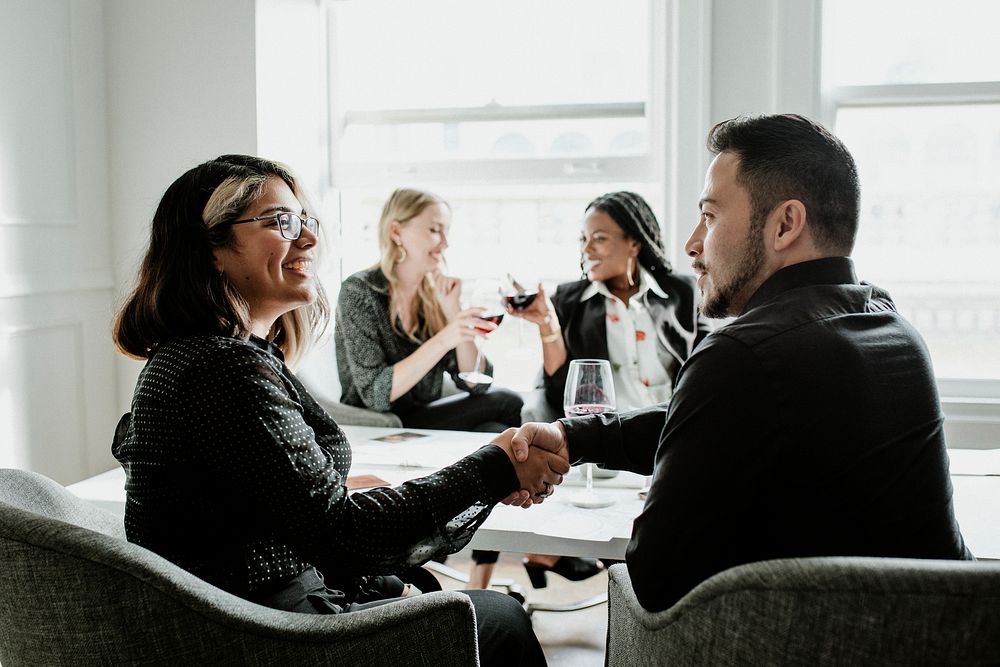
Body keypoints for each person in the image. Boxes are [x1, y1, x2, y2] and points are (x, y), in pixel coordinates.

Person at [110, 155, 565, 666]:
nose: (307, 238)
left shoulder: (214, 355)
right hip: (254, 634)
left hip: (249, 609)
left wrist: (337, 487)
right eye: (282, 221)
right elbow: (346, 538)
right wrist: (496, 465)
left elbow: (239, 497)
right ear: (210, 248)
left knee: (428, 587)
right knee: (499, 619)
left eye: (306, 221)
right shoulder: (222, 369)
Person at [510, 114, 973, 613]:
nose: (691, 244)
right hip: (933, 631)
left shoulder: (742, 355)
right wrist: (577, 437)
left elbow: (655, 576)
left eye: (709, 216)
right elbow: (717, 421)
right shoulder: (894, 329)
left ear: (784, 225)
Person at [506, 190, 710, 585]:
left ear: (634, 242)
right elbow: (558, 390)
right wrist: (548, 325)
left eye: (599, 237)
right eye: (583, 239)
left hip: (671, 436)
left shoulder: (684, 293)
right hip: (608, 442)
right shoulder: (569, 299)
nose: (587, 248)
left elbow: (704, 368)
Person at [334, 187, 524, 588]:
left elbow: (473, 382)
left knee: (497, 434)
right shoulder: (359, 291)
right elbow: (376, 391)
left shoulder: (432, 294)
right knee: (508, 409)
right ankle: (463, 570)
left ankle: (479, 580)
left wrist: (456, 318)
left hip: (420, 413)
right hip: (380, 417)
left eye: (446, 231)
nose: (444, 243)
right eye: (435, 230)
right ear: (397, 231)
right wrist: (446, 335)